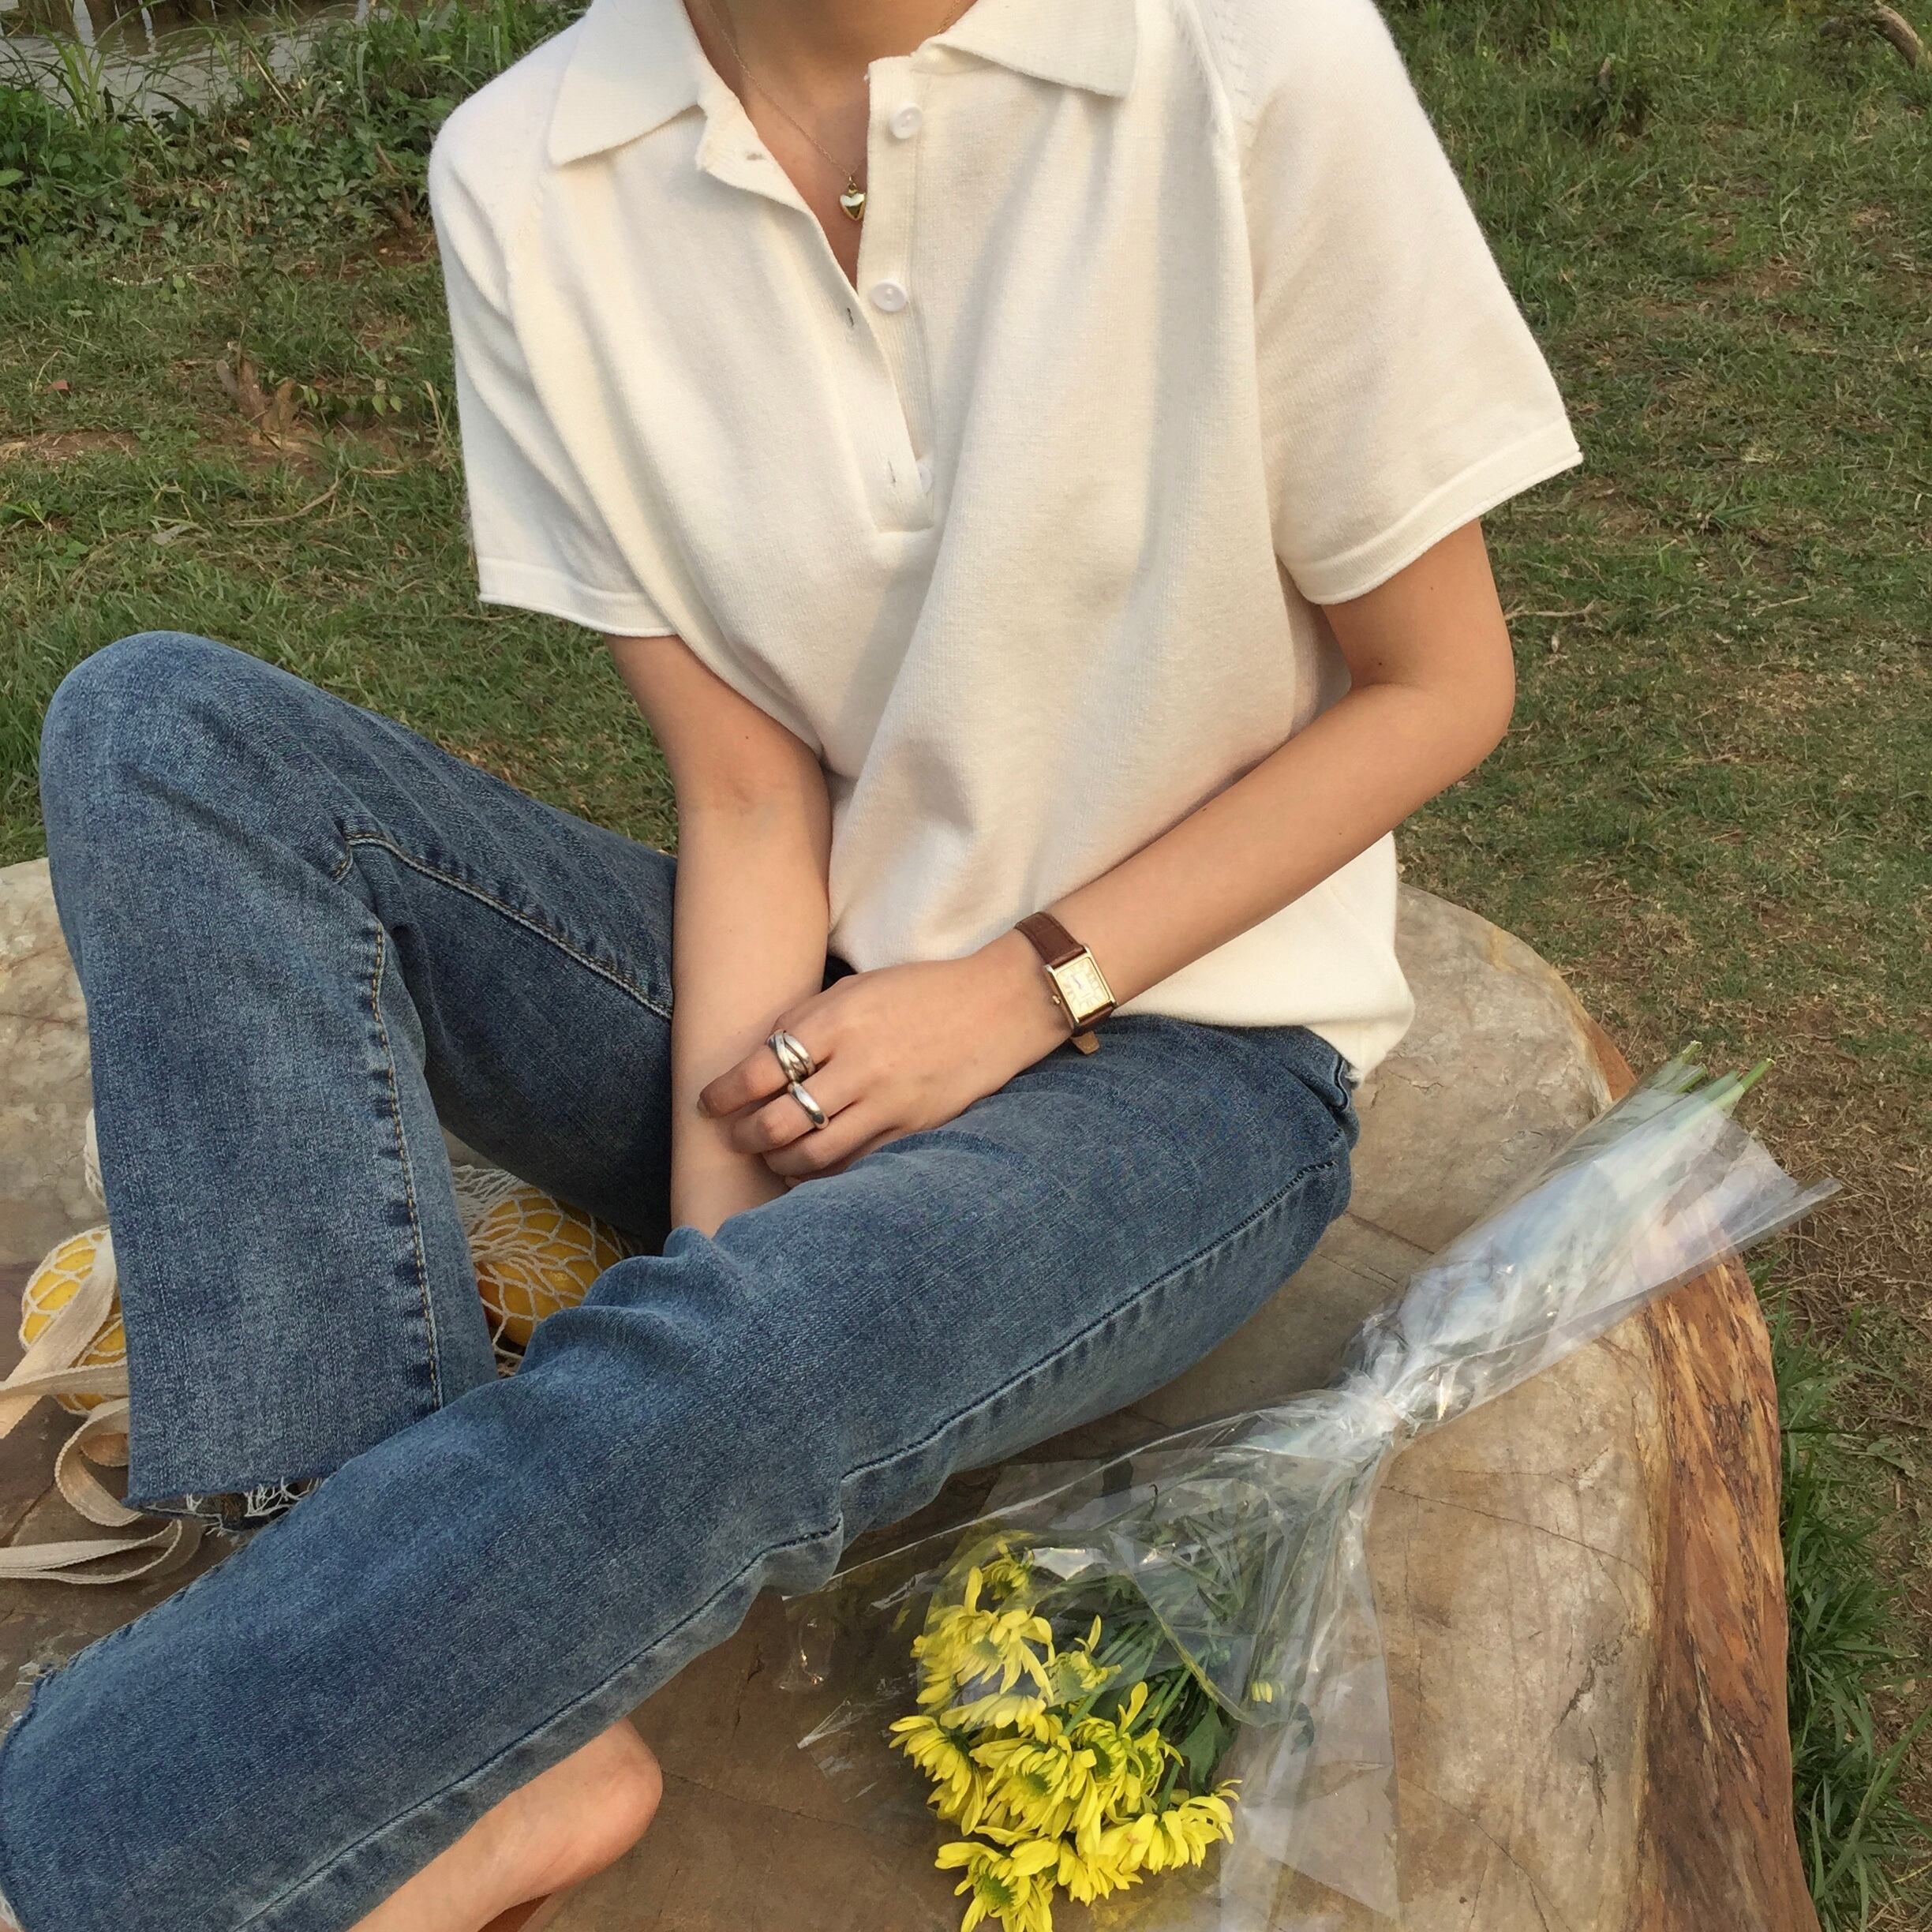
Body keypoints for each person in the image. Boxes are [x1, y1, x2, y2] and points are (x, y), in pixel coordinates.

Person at [0, 0, 1582, 1924]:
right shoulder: (532, 171)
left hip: (1191, 1063)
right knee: (165, 731)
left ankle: (69, 1866)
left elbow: (1442, 686)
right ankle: (467, 1739)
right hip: (801, 1012)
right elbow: (750, 794)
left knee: (742, 1359)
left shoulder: (1244, 61)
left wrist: (1023, 987)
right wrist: (716, 1266)